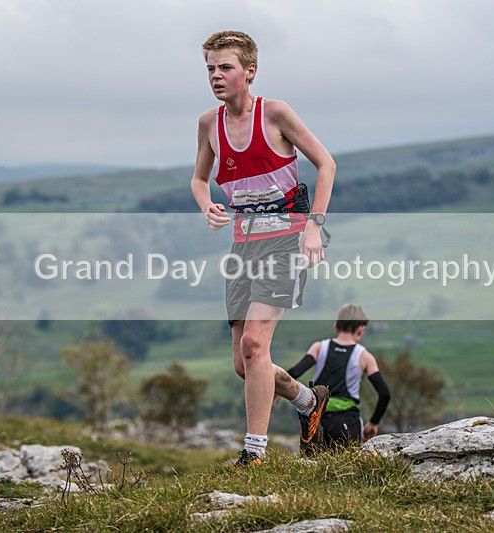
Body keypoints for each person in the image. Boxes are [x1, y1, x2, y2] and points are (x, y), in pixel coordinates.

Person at [190, 30, 337, 465]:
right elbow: (199, 178)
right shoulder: (208, 124)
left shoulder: (274, 113)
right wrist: (207, 205)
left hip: (285, 240)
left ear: (249, 72)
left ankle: (254, 454)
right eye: (211, 69)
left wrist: (315, 226)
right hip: (243, 246)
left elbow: (326, 163)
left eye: (225, 68)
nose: (216, 76)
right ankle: (308, 400)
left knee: (255, 343)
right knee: (245, 362)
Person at [285, 304, 391, 452]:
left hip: (317, 418)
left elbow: (294, 372)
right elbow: (384, 394)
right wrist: (373, 423)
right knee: (347, 471)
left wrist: (279, 389)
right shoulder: (365, 357)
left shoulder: (319, 347)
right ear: (361, 329)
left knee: (312, 468)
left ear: (336, 326)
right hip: (347, 422)